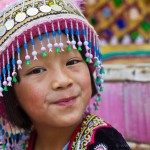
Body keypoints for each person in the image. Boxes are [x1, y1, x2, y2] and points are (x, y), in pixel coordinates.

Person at [0, 0, 131, 149]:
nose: (63, 81)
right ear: (11, 92)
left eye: (72, 62)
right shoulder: (23, 144)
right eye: (37, 70)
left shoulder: (105, 143)